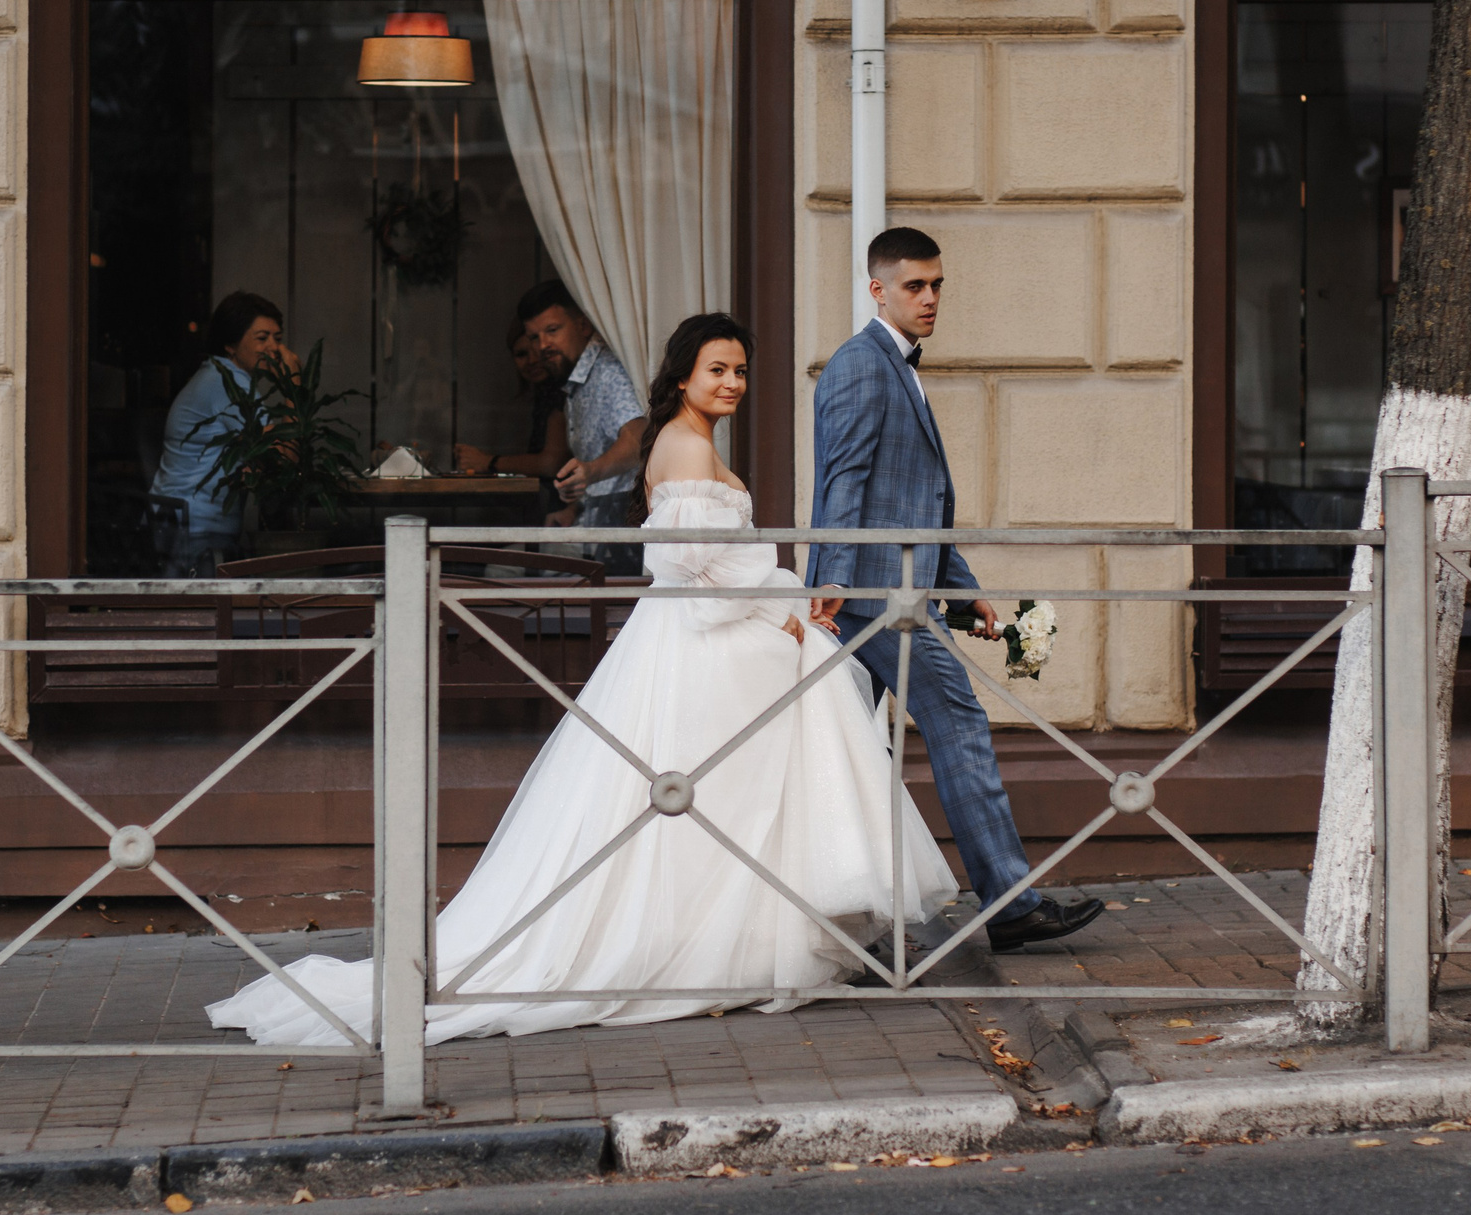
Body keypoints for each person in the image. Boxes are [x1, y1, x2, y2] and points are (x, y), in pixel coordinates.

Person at [210, 312, 953, 1045]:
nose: (732, 383)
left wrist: (778, 602)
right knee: (711, 787)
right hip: (701, 639)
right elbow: (685, 563)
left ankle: (752, 930)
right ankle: (711, 942)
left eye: (740, 370)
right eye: (717, 370)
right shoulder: (685, 447)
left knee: (731, 783)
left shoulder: (685, 441)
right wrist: (779, 604)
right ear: (685, 377)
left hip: (713, 633)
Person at [809, 228, 1105, 953]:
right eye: (915, 285)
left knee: (838, 749)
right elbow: (844, 484)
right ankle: (1007, 902)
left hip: (899, 591)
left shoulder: (897, 365)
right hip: (875, 599)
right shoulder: (860, 364)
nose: (931, 297)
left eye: (938, 284)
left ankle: (835, 912)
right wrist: (833, 581)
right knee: (961, 724)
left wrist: (961, 589)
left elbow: (912, 502)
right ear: (876, 288)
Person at [148, 291, 287, 573]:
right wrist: (294, 383)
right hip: (194, 533)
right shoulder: (226, 382)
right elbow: (280, 455)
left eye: (278, 338)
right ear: (230, 345)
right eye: (262, 338)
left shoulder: (218, 375)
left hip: (179, 524)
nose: (274, 347)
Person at [519, 281, 646, 572]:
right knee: (515, 571)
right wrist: (573, 510)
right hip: (596, 523)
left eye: (552, 331)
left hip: (621, 530)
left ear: (583, 325)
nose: (542, 346)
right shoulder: (576, 377)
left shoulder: (607, 371)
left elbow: (638, 438)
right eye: (533, 337)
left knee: (513, 574)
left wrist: (589, 472)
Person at [454, 324, 574, 525]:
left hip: (565, 508)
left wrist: (487, 462)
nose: (532, 361)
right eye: (521, 354)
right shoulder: (542, 394)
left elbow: (551, 463)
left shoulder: (560, 392)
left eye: (537, 352)